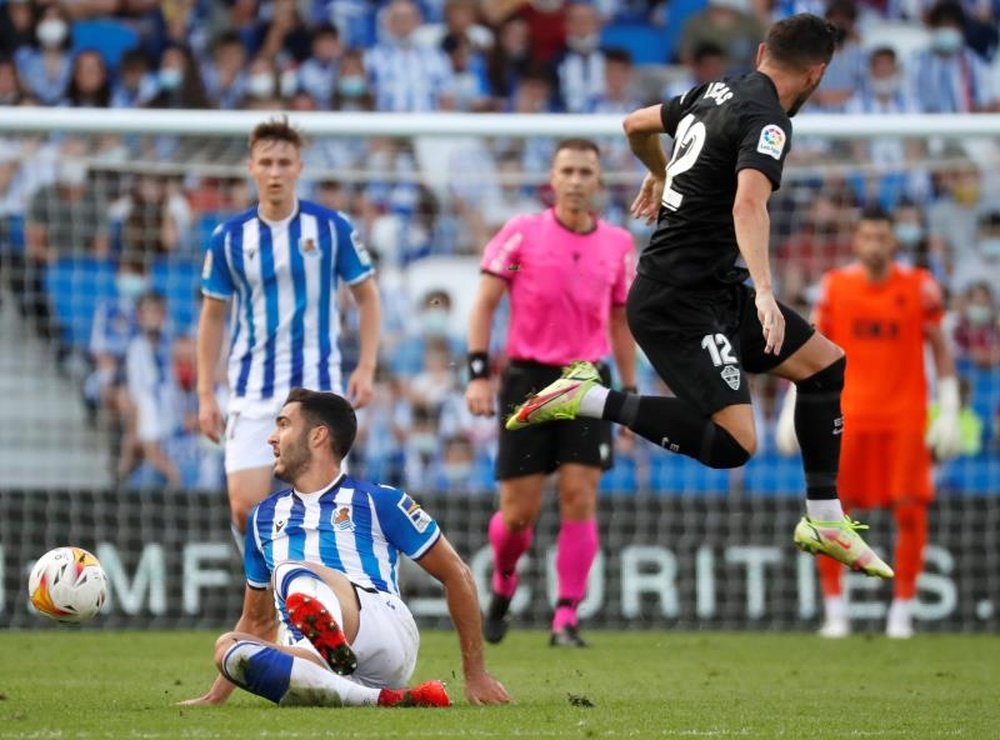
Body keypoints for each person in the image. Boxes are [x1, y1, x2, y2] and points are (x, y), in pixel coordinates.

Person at [504, 15, 894, 580]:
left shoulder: (716, 90)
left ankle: (825, 518)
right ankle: (592, 399)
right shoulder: (768, 119)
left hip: (711, 287)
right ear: (817, 74)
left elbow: (634, 122)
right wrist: (765, 288)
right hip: (677, 300)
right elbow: (747, 206)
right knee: (735, 444)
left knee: (825, 366)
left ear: (763, 52)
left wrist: (658, 173)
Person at [181, 389, 510, 708]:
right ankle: (379, 699)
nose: (271, 438)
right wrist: (217, 695)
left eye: (283, 425)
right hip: (312, 655)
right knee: (228, 649)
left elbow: (457, 574)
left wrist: (475, 673)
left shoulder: (379, 500)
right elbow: (257, 621)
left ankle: (327, 650)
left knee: (290, 571)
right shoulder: (261, 518)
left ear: (317, 436)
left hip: (383, 630)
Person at [465, 137, 637, 647]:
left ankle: (566, 617)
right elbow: (484, 304)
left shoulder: (618, 244)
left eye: (587, 171)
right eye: (569, 170)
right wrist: (478, 373)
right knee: (519, 512)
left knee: (580, 495)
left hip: (588, 380)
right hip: (528, 381)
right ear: (553, 179)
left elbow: (621, 320)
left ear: (599, 180)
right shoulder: (522, 236)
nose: (578, 180)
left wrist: (629, 393)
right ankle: (504, 579)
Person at [776, 207, 962, 638]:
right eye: (867, 237)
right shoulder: (836, 287)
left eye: (882, 237)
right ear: (855, 242)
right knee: (833, 513)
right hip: (849, 415)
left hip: (904, 416)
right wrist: (791, 408)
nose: (875, 245)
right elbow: (811, 348)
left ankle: (902, 612)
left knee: (911, 510)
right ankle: (836, 612)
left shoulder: (920, 286)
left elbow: (940, 346)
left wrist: (949, 404)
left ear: (893, 242)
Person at [197, 117, 381, 549]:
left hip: (317, 389)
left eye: (284, 162)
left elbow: (367, 297)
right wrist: (205, 392)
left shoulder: (331, 227)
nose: (275, 171)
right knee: (244, 509)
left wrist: (367, 366)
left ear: (299, 167)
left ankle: (319, 603)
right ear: (252, 168)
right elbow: (212, 316)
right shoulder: (228, 238)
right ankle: (262, 608)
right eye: (267, 162)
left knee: (323, 506)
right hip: (251, 389)